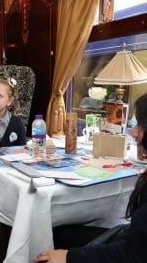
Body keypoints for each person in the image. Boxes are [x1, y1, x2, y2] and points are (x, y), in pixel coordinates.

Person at [35, 93, 147, 263]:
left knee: (55, 242)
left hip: (130, 251)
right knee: (62, 233)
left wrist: (69, 256)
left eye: (139, 125)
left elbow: (130, 254)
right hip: (133, 240)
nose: (134, 131)